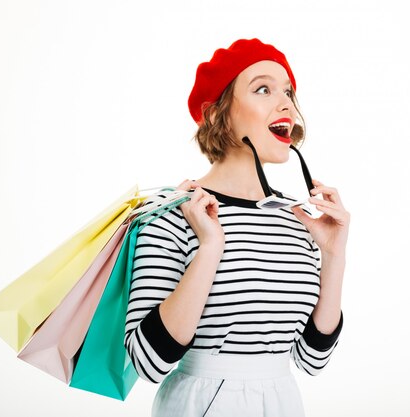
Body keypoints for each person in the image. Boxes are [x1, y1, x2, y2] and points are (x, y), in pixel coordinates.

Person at [124, 38, 350, 417]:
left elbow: (312, 359)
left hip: (282, 403)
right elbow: (148, 363)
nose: (286, 105)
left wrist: (333, 254)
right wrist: (210, 248)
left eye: (289, 93)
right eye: (263, 89)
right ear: (217, 115)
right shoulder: (172, 213)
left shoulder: (296, 220)